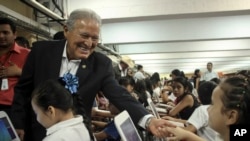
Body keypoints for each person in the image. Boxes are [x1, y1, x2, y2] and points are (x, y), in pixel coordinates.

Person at [11, 8, 173, 141]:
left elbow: (120, 96)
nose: (89, 43)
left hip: (76, 135)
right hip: (37, 132)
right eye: (84, 36)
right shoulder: (41, 52)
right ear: (66, 30)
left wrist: (149, 120)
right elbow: (22, 90)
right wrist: (18, 123)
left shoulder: (101, 65)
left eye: (95, 38)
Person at [162, 76, 250, 141]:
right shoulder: (228, 134)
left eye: (212, 104)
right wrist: (187, 135)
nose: (208, 109)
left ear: (231, 116)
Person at [0, 17, 30, 116]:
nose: (1, 36)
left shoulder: (27, 54)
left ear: (14, 34)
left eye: (5, 32)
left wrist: (19, 72)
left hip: (15, 108)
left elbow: (39, 77)